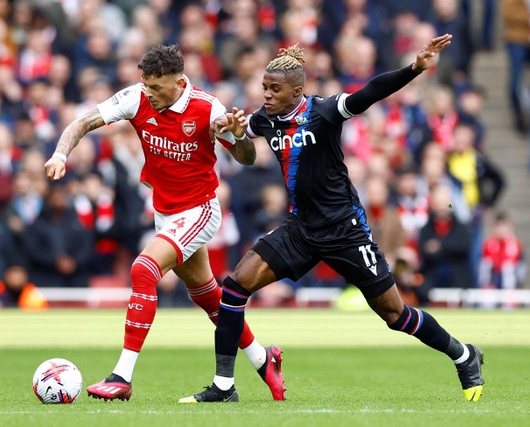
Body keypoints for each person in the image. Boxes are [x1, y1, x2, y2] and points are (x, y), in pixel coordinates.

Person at [180, 34, 485, 404]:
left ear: (296, 92)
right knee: (234, 287)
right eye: (264, 87)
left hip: (345, 231)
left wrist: (414, 68)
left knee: (394, 314)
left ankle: (463, 354)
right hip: (301, 229)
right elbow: (245, 154)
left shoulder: (323, 111)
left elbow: (371, 92)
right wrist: (237, 133)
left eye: (275, 89)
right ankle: (224, 386)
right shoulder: (265, 120)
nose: (267, 95)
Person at [44, 45, 285, 401]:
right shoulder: (137, 97)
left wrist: (236, 136)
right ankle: (264, 360)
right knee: (210, 299)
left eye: (157, 88)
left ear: (180, 82)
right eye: (146, 85)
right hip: (166, 214)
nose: (149, 94)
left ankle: (121, 376)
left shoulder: (207, 109)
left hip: (200, 210)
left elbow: (247, 159)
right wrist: (60, 153)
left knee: (143, 270)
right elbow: (82, 122)